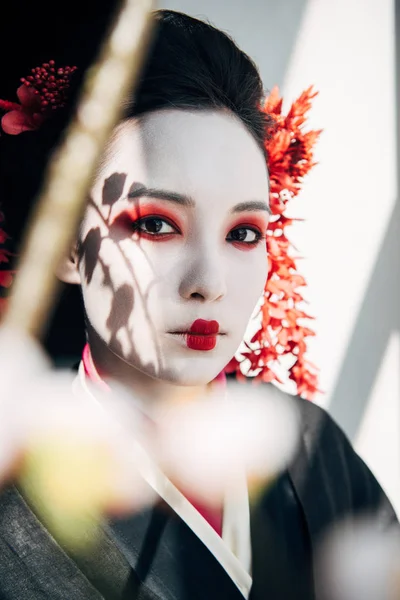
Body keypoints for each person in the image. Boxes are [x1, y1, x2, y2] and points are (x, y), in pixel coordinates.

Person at [0, 6, 397, 600]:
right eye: (158, 224)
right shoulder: (16, 487)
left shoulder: (308, 448)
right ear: (64, 245)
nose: (208, 282)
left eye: (243, 233)